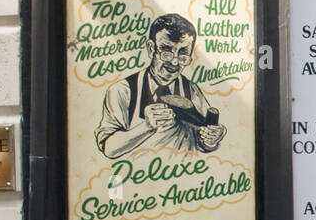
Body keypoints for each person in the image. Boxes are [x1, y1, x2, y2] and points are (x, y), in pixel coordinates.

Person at [95, 13, 227, 157]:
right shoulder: (123, 90)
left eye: (183, 54)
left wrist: (211, 139)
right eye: (166, 52)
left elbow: (203, 142)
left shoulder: (191, 89)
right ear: (151, 49)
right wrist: (146, 127)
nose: (175, 62)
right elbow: (109, 149)